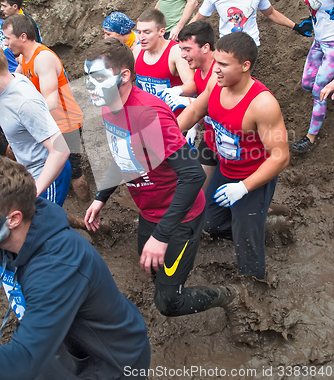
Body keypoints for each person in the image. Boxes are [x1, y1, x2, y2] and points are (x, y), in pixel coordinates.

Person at [83, 39, 262, 344]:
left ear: (124, 76)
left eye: (98, 79)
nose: (91, 87)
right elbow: (123, 157)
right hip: (151, 211)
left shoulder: (148, 114)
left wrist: (162, 235)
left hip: (180, 217)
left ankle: (231, 295)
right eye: (88, 79)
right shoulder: (110, 108)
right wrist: (101, 197)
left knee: (169, 303)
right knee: (150, 263)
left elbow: (192, 177)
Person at [0, 157, 150, 380]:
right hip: (65, 347)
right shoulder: (21, 225)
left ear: (13, 219)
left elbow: (23, 361)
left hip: (112, 364)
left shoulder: (56, 267)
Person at [178, 31, 290, 280]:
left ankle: (254, 291)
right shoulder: (216, 85)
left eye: (224, 65)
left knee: (247, 246)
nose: (216, 69)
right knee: (209, 223)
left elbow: (280, 157)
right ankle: (264, 222)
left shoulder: (262, 104)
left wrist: (243, 188)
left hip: (253, 179)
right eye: (216, 61)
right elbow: (196, 109)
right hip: (225, 170)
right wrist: (168, 137)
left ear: (245, 66)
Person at [1, 15, 89, 201]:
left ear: (22, 37)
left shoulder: (43, 58)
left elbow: (51, 101)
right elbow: (13, 83)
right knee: (58, 167)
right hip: (49, 124)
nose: (6, 44)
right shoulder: (24, 58)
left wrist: (27, 120)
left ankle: (88, 209)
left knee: (74, 171)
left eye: (8, 38)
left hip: (66, 123)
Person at [0, 49, 71, 205]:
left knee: (44, 227)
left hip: (48, 174)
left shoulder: (24, 102)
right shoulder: (12, 81)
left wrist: (34, 193)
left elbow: (60, 150)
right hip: (28, 171)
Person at [290, 0, 334, 153]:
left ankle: (310, 139)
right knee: (307, 83)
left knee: (318, 91)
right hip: (320, 41)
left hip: (332, 44)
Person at [178, 20, 217, 191]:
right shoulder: (199, 69)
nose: (182, 55)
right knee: (201, 192)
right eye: (181, 49)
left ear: (205, 48)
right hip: (211, 138)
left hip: (234, 142)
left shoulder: (219, 72)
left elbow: (201, 106)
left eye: (187, 49)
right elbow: (199, 100)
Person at [134, 9, 196, 112]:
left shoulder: (175, 52)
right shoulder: (137, 50)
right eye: (139, 32)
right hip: (148, 115)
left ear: (161, 31)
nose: (141, 37)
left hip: (174, 118)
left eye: (147, 32)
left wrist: (175, 91)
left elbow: (192, 86)